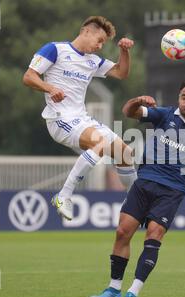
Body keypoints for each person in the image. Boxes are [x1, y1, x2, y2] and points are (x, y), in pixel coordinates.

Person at [89, 80, 185, 297]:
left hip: (172, 191)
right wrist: (138, 100)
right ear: (179, 97)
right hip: (144, 183)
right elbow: (128, 111)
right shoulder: (164, 115)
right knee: (122, 232)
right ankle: (113, 289)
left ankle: (133, 292)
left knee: (153, 235)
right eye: (184, 97)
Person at [23, 16, 136, 220]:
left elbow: (121, 73)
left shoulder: (93, 61)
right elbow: (29, 77)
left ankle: (136, 202)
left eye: (103, 43)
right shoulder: (55, 50)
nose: (100, 46)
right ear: (86, 31)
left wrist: (124, 51)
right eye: (99, 40)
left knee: (125, 153)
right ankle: (64, 195)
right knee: (99, 143)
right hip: (59, 119)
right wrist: (50, 88)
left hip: (82, 119)